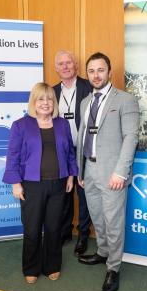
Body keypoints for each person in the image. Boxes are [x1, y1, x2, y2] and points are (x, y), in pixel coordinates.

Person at [76, 52, 139, 291]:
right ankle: (103, 253)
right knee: (98, 217)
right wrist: (80, 170)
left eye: (100, 70)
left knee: (113, 222)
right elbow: (83, 137)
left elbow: (131, 137)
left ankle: (113, 268)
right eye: (91, 71)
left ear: (109, 72)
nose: (95, 75)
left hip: (113, 173)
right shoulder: (85, 102)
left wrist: (121, 173)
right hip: (89, 171)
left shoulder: (125, 100)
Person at [3, 82, 77, 284]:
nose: (46, 103)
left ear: (55, 102)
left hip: (59, 183)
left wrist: (70, 176)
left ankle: (52, 265)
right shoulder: (20, 125)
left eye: (50, 99)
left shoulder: (62, 124)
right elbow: (13, 156)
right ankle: (31, 267)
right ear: (33, 102)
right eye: (41, 99)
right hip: (31, 185)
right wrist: (15, 183)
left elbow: (70, 152)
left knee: (54, 227)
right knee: (32, 228)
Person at [52, 50, 93, 255]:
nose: (66, 66)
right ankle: (65, 231)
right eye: (61, 64)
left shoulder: (88, 87)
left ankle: (83, 234)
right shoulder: (51, 92)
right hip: (61, 151)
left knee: (83, 193)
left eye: (69, 63)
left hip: (84, 149)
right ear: (56, 68)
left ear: (75, 65)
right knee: (63, 193)